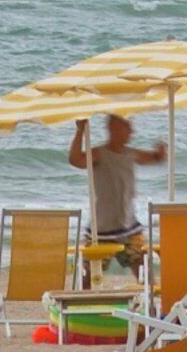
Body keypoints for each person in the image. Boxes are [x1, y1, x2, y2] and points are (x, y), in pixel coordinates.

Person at [66, 112, 167, 264]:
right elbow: (75, 160)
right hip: (101, 229)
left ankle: (147, 287)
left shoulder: (131, 154)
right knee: (88, 275)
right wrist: (80, 131)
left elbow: (153, 158)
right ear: (113, 128)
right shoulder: (100, 153)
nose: (132, 131)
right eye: (127, 127)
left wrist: (160, 153)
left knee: (143, 267)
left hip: (128, 226)